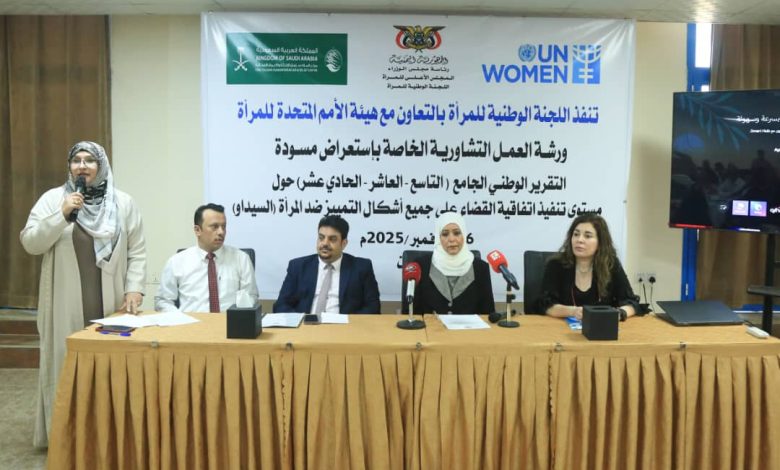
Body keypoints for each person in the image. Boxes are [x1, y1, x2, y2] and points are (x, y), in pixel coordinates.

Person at [20, 141, 146, 447]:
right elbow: (31, 243)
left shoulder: (123, 202)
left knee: (110, 368)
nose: (82, 166)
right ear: (70, 166)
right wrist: (62, 215)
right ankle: (67, 439)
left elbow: (137, 250)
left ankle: (112, 436)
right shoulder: (54, 200)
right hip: (65, 303)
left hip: (111, 302)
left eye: (90, 160)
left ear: (101, 166)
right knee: (68, 368)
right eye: (76, 160)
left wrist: (134, 288)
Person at [155, 203, 258, 312]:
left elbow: (251, 297)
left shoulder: (241, 259)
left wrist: (240, 317)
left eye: (223, 226)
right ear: (197, 230)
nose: (221, 232)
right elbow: (163, 301)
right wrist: (179, 319)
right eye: (215, 227)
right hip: (190, 321)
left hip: (229, 321)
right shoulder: (177, 261)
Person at [538, 213, 639, 320]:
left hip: (602, 327)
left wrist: (619, 313)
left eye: (587, 236)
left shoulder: (610, 264)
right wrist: (573, 311)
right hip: (561, 326)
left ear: (600, 242)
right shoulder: (556, 264)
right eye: (576, 234)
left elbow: (632, 303)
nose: (579, 240)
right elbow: (545, 305)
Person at [274, 215, 380, 314]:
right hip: (306, 325)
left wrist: (348, 323)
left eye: (332, 239)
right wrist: (301, 321)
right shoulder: (298, 267)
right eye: (321, 237)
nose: (325, 243)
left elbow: (373, 307)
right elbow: (281, 305)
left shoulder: (361, 268)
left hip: (344, 326)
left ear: (343, 243)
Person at [405, 212, 495, 315]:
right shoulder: (421, 266)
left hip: (469, 326)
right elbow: (410, 314)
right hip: (430, 325)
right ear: (438, 238)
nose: (451, 239)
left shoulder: (481, 268)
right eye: (445, 234)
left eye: (457, 233)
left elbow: (488, 314)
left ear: (464, 235)